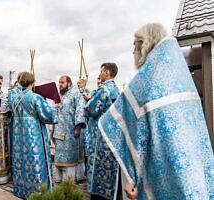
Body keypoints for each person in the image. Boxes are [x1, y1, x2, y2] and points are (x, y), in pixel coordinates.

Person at [98, 23, 214, 199]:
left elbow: (128, 125)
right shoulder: (180, 76)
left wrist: (131, 176)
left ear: (145, 43)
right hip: (193, 169)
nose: (133, 51)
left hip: (162, 170)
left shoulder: (148, 79)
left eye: (135, 44)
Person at [8, 72, 57, 199]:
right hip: (33, 136)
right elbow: (48, 116)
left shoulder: (13, 98)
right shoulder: (35, 98)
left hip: (18, 136)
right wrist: (54, 107)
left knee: (21, 162)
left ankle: (21, 190)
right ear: (33, 83)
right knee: (35, 161)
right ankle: (36, 192)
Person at [83, 63, 120, 200]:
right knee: (108, 166)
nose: (99, 74)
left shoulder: (104, 89)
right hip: (110, 133)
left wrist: (87, 102)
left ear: (107, 72)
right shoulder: (116, 89)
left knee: (97, 165)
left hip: (98, 135)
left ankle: (97, 193)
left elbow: (91, 109)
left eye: (101, 71)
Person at [53, 75, 86, 183]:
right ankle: (59, 177)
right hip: (59, 130)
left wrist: (78, 127)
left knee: (70, 156)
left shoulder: (76, 93)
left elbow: (80, 110)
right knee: (59, 155)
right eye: (59, 82)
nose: (60, 85)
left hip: (70, 130)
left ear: (69, 83)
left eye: (62, 82)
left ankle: (70, 179)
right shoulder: (59, 95)